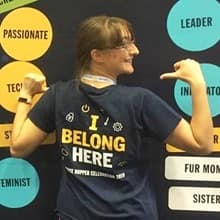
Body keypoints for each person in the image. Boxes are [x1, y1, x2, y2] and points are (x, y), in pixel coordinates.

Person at [10, 15, 213, 220]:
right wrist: (197, 84)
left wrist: (25, 95)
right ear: (97, 55)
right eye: (124, 45)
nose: (134, 50)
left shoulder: (58, 95)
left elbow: (18, 146)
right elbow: (202, 143)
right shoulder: (139, 101)